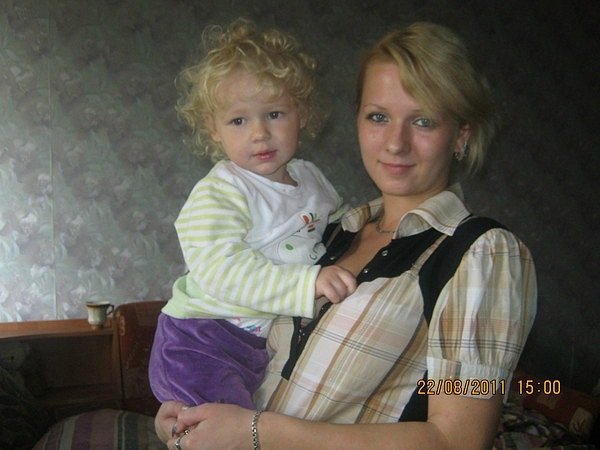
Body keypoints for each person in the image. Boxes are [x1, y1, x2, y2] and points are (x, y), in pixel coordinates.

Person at [155, 21, 537, 450]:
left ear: (461, 135)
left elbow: (459, 441)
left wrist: (254, 433)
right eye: (378, 117)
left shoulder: (482, 254)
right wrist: (190, 416)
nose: (395, 143)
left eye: (424, 121)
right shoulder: (330, 233)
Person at [149, 18, 357, 410]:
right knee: (224, 431)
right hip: (201, 340)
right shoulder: (220, 191)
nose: (259, 133)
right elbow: (220, 270)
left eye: (274, 114)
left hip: (255, 342)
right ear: (213, 129)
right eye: (239, 120)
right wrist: (308, 282)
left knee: (246, 422)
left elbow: (341, 223)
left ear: (302, 114)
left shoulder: (311, 178)